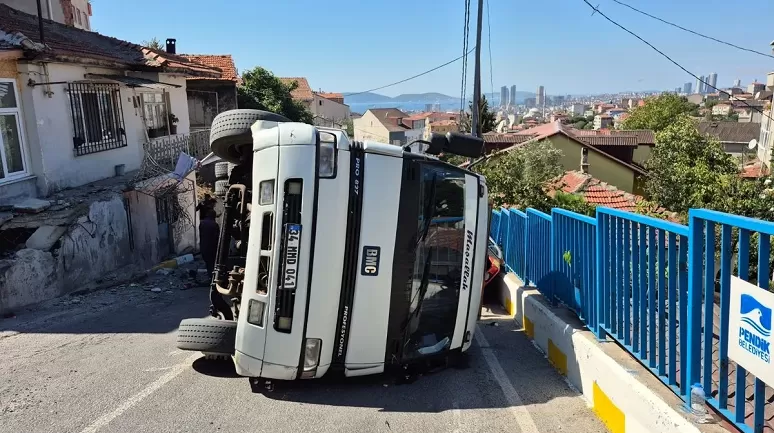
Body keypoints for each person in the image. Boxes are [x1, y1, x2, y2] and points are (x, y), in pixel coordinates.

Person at [199, 207, 220, 278]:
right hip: (212, 247)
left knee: (208, 262)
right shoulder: (215, 224)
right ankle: (213, 276)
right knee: (213, 262)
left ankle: (210, 275)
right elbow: (217, 237)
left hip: (203, 246)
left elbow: (201, 235)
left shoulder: (202, 223)